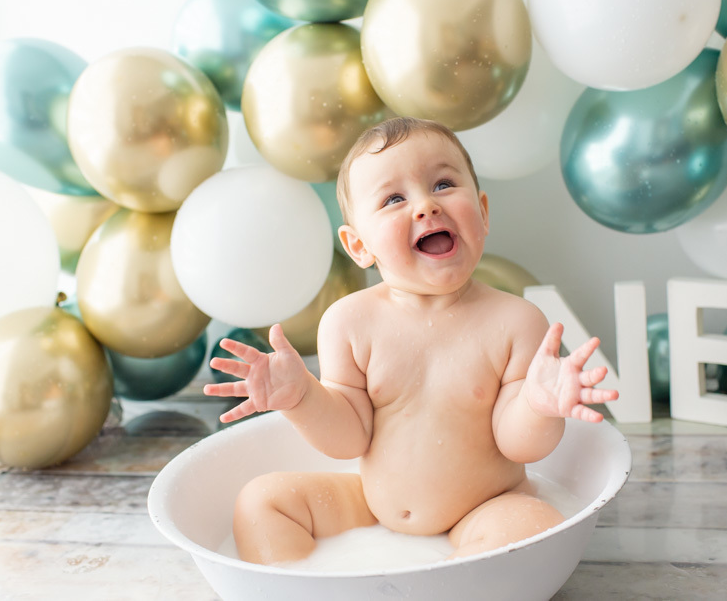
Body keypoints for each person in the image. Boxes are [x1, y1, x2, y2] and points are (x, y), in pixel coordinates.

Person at [204, 116, 618, 565]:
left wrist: (538, 405)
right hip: (372, 504)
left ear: (482, 211)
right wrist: (301, 396)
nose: (425, 206)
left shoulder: (516, 322)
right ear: (359, 245)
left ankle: (443, 582)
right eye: (394, 198)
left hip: (487, 507)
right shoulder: (349, 322)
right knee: (260, 501)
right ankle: (297, 586)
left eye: (442, 184)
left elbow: (520, 445)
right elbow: (349, 437)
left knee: (530, 527)